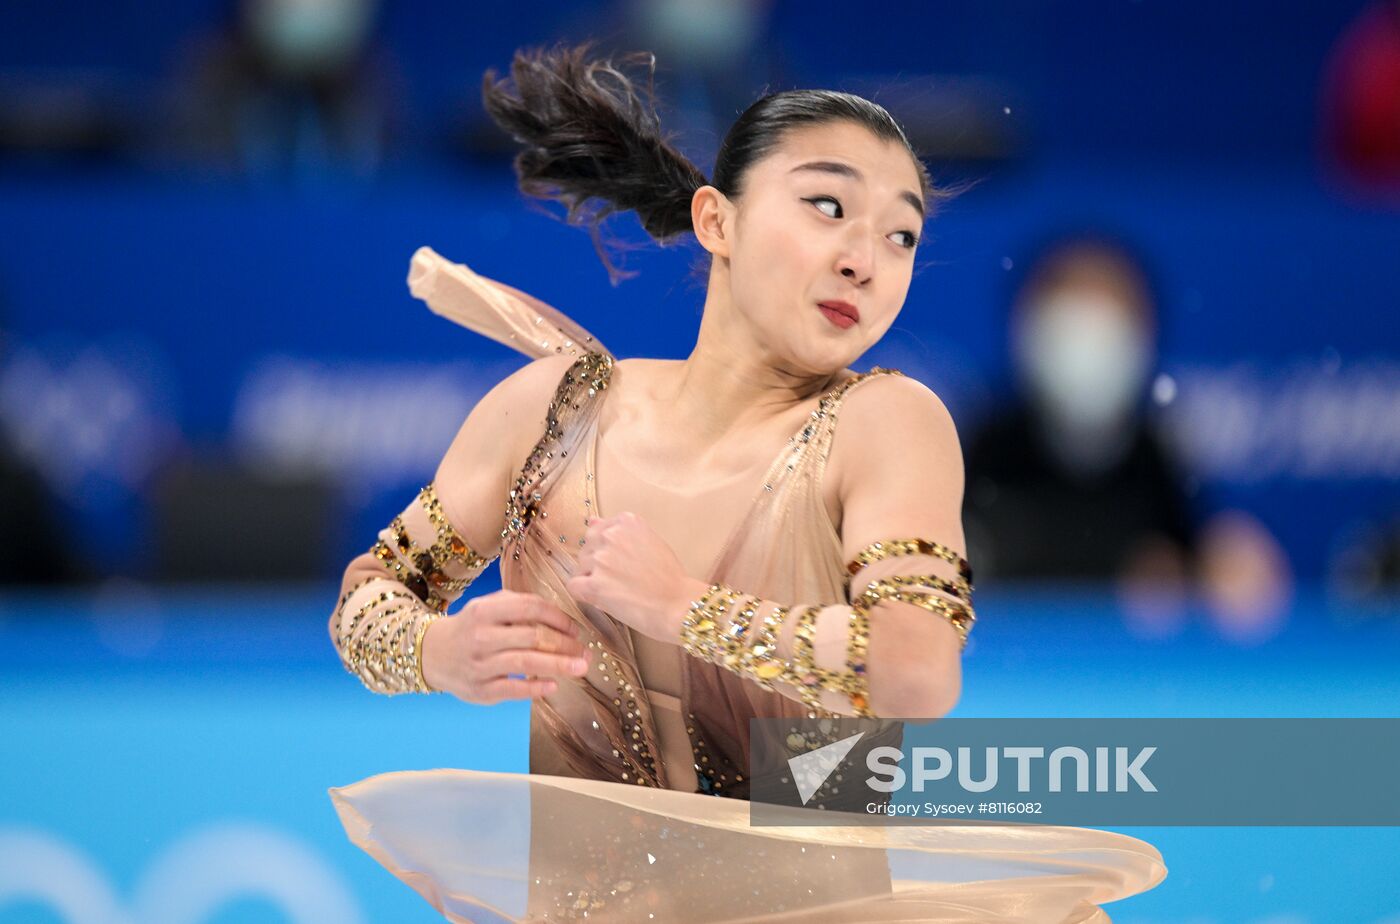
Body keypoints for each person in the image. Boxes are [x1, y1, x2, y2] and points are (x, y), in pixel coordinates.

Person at [325, 42, 1164, 922]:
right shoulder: (550, 412)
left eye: (900, 235)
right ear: (717, 220)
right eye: (827, 206)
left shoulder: (884, 426)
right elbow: (366, 600)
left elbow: (917, 672)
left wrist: (682, 606)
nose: (863, 259)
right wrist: (437, 653)